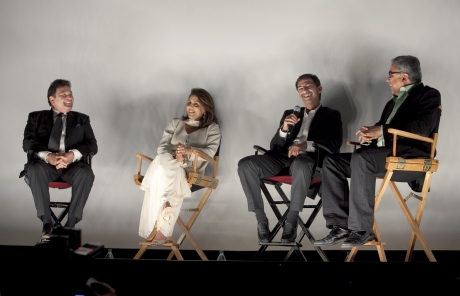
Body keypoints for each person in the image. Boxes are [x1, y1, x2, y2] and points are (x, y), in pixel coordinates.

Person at [313, 55, 441, 248]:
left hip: (410, 157)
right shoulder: (392, 103)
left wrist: (380, 131)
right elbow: (383, 129)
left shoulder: (429, 94)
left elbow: (422, 127)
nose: (387, 79)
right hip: (383, 155)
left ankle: (362, 230)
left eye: (391, 75)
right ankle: (340, 226)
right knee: (332, 162)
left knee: (363, 159)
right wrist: (369, 136)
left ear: (404, 77)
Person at [237, 74, 343, 243]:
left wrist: (305, 145)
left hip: (308, 161)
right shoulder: (290, 113)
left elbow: (334, 144)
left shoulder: (331, 115)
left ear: (319, 88)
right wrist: (284, 129)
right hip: (282, 158)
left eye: (308, 86)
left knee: (302, 164)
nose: (304, 90)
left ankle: (291, 222)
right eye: (300, 88)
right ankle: (261, 220)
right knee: (245, 164)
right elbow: (275, 146)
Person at [138, 88, 221, 245]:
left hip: (191, 170)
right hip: (171, 164)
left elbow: (210, 152)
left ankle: (162, 215)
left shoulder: (212, 129)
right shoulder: (176, 123)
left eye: (196, 104)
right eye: (189, 102)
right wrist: (176, 157)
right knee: (165, 160)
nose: (190, 107)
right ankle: (165, 205)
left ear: (206, 108)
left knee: (163, 173)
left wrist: (189, 153)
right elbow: (162, 148)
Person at [21, 79, 98, 237]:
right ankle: (47, 222)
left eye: (70, 94)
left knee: (87, 173)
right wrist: (48, 156)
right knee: (34, 169)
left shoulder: (81, 119)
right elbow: (28, 143)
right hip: (45, 166)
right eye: (64, 94)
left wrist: (72, 155)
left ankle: (71, 224)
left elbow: (92, 145)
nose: (69, 97)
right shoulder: (36, 118)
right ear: (52, 99)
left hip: (73, 168)